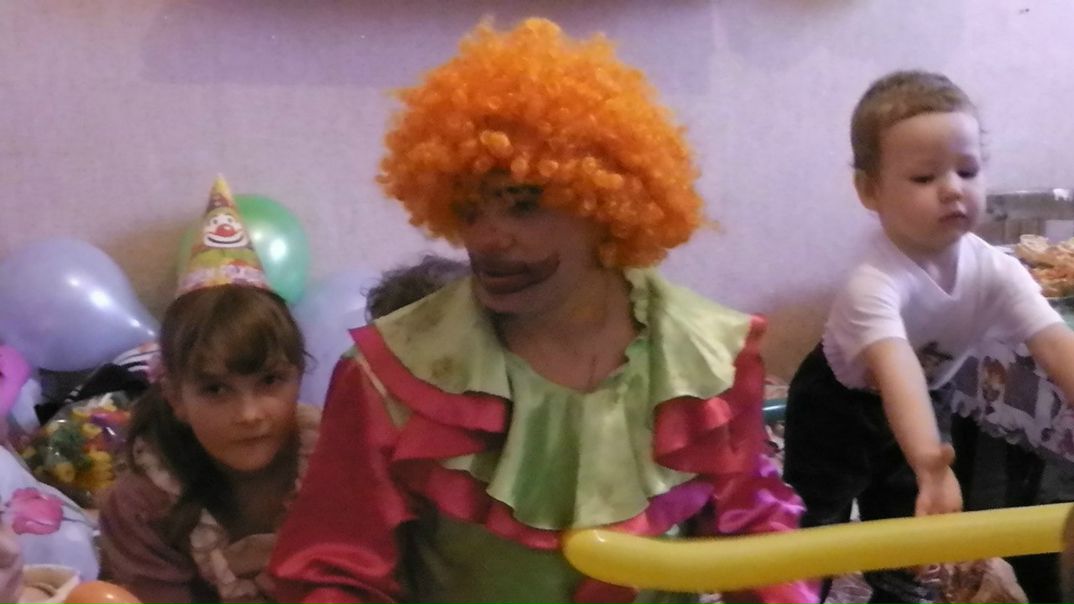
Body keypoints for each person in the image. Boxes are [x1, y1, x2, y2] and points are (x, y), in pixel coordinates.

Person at [270, 18, 814, 604]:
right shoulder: (391, 377)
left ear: (604, 202)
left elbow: (753, 538)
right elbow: (334, 571)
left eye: (524, 206)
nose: (487, 239)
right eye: (469, 210)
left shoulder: (705, 360)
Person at [782, 70, 1074, 604]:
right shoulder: (874, 281)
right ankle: (798, 593)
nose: (953, 188)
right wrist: (927, 462)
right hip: (836, 407)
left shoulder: (996, 270)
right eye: (924, 177)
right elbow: (895, 369)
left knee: (907, 533)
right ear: (870, 191)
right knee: (814, 520)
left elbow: (1055, 342)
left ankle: (897, 591)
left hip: (926, 401)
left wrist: (926, 466)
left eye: (968, 170)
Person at [98, 178, 320, 604]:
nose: (250, 413)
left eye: (271, 381)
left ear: (299, 376)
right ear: (176, 397)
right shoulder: (142, 505)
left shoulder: (335, 461)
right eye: (216, 389)